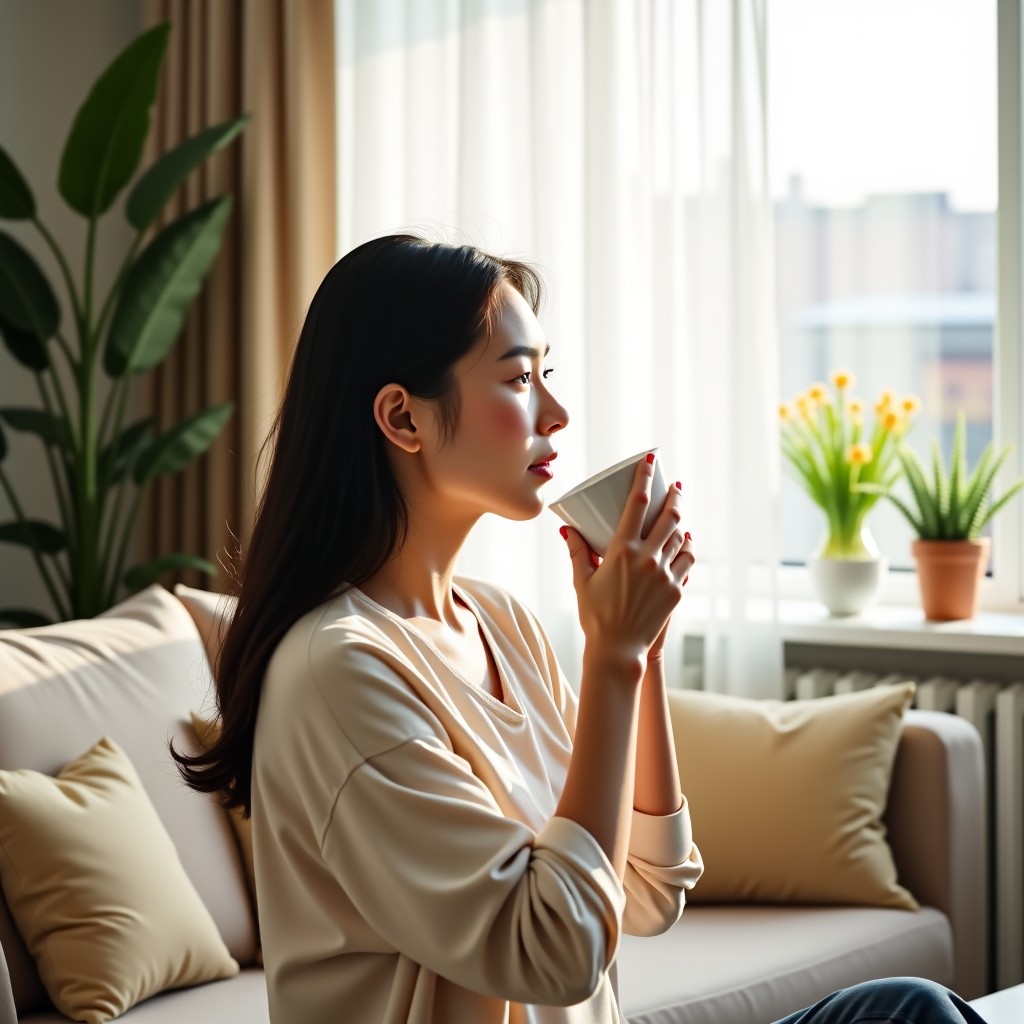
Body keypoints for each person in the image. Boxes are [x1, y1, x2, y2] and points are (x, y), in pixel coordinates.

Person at [171, 234, 989, 1024]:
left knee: (906, 1009)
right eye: (519, 379)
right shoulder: (338, 671)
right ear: (403, 418)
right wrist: (611, 658)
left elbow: (648, 890)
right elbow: (555, 952)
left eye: (546, 375)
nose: (555, 413)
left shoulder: (502, 624)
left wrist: (646, 650)